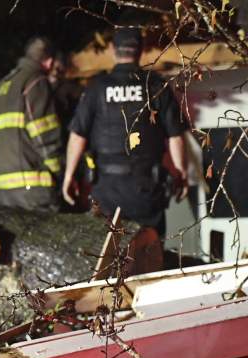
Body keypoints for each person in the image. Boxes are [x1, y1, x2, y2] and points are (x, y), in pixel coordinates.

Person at [61, 27, 189, 233]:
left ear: (113, 49)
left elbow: (77, 136)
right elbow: (176, 136)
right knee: (149, 252)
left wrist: (69, 176)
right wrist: (182, 174)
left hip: (106, 190)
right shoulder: (155, 85)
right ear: (141, 50)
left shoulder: (97, 87)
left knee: (106, 255)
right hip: (147, 190)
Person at [0, 36, 64, 210]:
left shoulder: (3, 84)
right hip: (34, 189)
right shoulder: (36, 82)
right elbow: (45, 135)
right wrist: (59, 172)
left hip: (3, 189)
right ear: (49, 62)